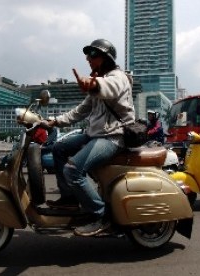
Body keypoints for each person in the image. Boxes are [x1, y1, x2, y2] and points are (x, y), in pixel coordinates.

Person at [41, 38, 135, 236]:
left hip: (113, 137)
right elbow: (80, 111)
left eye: (93, 55)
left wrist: (93, 84)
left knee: (73, 170)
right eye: (87, 55)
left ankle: (101, 216)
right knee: (58, 148)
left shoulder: (118, 77)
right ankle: (69, 199)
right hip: (94, 135)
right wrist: (54, 121)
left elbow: (109, 87)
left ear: (106, 58)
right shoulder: (99, 81)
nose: (88, 59)